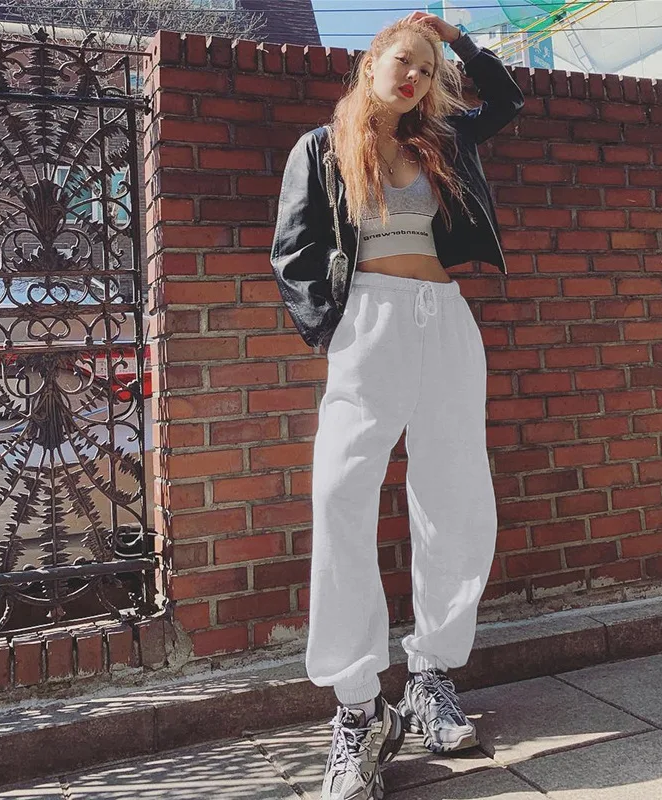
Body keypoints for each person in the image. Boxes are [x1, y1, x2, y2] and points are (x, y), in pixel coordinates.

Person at [270, 10, 524, 800]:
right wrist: (337, 327)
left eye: (427, 68)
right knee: (339, 493)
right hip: (368, 322)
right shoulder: (322, 148)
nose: (414, 77)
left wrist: (456, 40)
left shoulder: (443, 141)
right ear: (372, 62)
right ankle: (358, 707)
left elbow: (507, 101)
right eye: (404, 61)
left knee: (456, 499)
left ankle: (430, 675)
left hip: (444, 319)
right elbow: (294, 250)